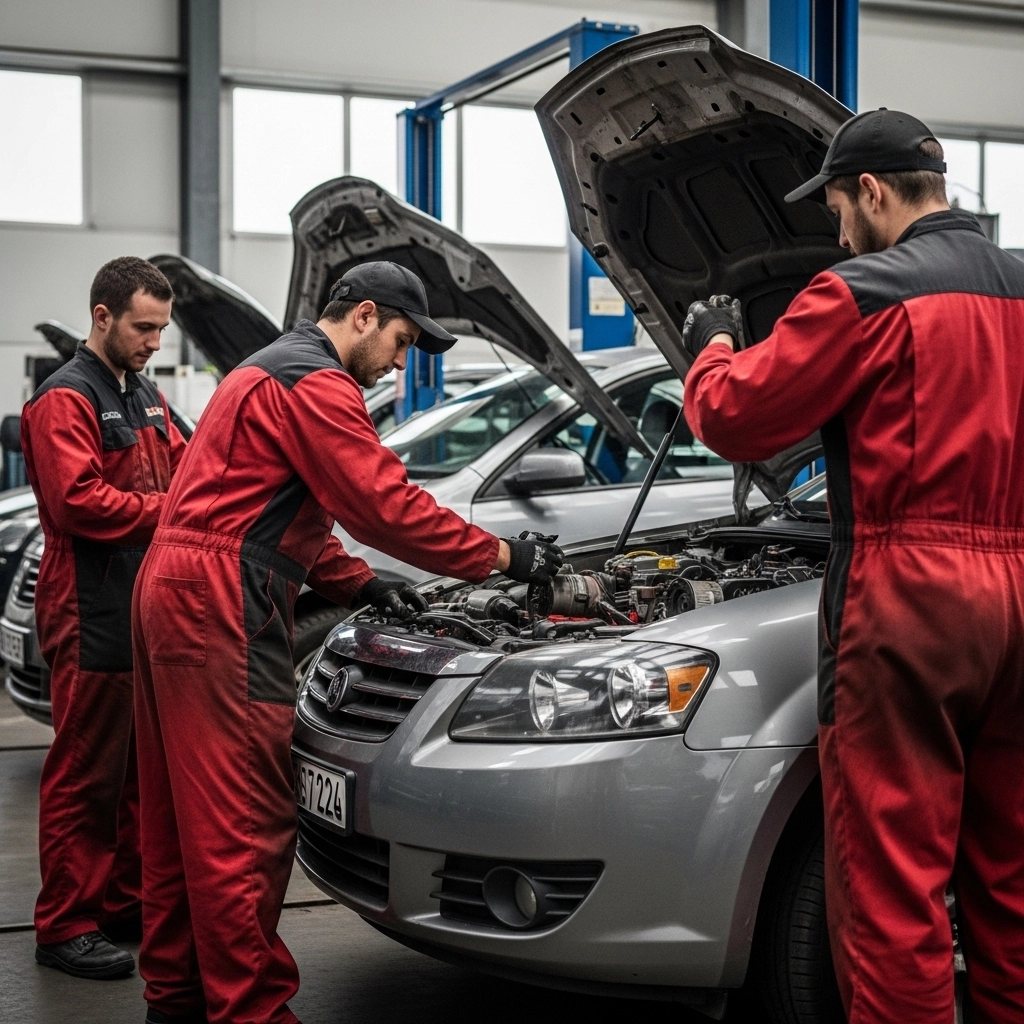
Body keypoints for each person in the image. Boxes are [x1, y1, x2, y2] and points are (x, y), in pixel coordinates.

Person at [132, 261, 563, 1024]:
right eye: (401, 342)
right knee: (244, 821)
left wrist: (356, 583)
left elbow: (265, 505)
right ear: (364, 316)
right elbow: (379, 501)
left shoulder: (262, 370)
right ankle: (251, 1012)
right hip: (220, 601)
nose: (401, 362)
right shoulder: (319, 381)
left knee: (176, 815)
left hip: (175, 586)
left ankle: (176, 995)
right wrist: (501, 557)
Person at [681, 108, 1024, 1023]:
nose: (836, 233)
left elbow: (734, 419)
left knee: (891, 891)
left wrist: (712, 344)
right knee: (1010, 881)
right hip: (1022, 599)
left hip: (911, 604)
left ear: (871, 192)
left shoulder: (862, 292)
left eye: (837, 208)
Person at [22, 257, 186, 979]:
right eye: (144, 328)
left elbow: (188, 466)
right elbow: (77, 503)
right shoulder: (67, 398)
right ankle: (65, 924)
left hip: (137, 605)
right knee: (85, 774)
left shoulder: (144, 393)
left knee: (132, 775)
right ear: (103, 317)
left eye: (161, 329)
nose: (155, 342)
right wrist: (171, 515)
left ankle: (122, 904)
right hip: (87, 608)